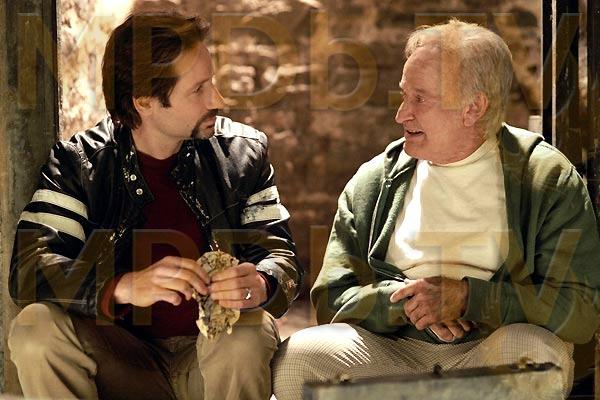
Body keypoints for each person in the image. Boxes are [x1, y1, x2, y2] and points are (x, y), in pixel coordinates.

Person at [272, 19, 600, 399]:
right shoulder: (375, 179)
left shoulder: (544, 176)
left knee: (530, 357)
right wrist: (405, 302)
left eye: (420, 99)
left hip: (491, 348)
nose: (401, 114)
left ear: (473, 108)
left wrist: (469, 299)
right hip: (391, 353)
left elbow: (580, 309)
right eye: (404, 95)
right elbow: (331, 299)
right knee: (297, 359)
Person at [8, 7, 302, 400]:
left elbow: (281, 256)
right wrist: (121, 287)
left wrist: (262, 282)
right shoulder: (80, 164)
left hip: (212, 361)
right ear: (145, 102)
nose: (217, 98)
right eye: (198, 89)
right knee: (35, 327)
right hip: (122, 363)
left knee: (248, 330)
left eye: (212, 82)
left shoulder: (242, 153)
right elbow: (29, 270)